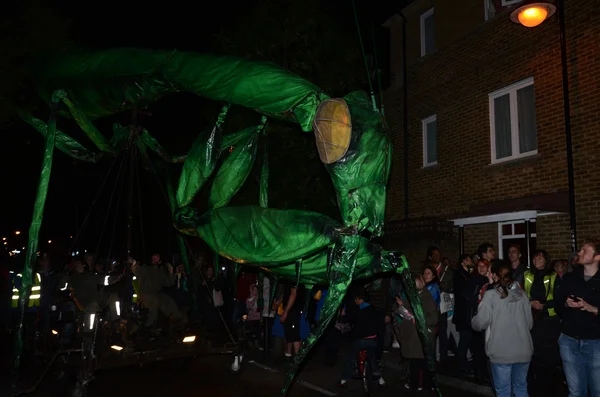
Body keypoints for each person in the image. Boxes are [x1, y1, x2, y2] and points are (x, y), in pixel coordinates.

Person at [472, 261, 533, 397]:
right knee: (521, 388)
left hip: (501, 352)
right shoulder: (522, 294)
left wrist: (473, 320)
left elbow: (479, 324)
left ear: (494, 275)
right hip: (523, 350)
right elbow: (529, 324)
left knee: (503, 392)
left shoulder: (491, 295)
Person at [554, 239, 600, 397]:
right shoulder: (570, 278)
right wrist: (566, 303)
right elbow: (557, 304)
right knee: (575, 392)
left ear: (597, 257)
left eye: (585, 251)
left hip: (595, 342)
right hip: (569, 339)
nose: (579, 253)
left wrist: (593, 308)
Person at [395, 274, 439, 391]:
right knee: (415, 362)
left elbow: (434, 319)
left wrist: (420, 319)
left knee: (423, 364)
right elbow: (410, 311)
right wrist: (402, 306)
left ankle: (426, 386)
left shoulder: (427, 298)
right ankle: (415, 385)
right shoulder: (413, 296)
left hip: (423, 337)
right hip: (414, 337)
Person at [338, 286, 384, 387]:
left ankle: (345, 378)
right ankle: (380, 379)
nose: (355, 301)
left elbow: (348, 321)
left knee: (350, 356)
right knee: (372, 358)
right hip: (373, 340)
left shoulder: (357, 311)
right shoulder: (374, 310)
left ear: (361, 299)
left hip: (361, 340)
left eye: (357, 299)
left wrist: (342, 315)